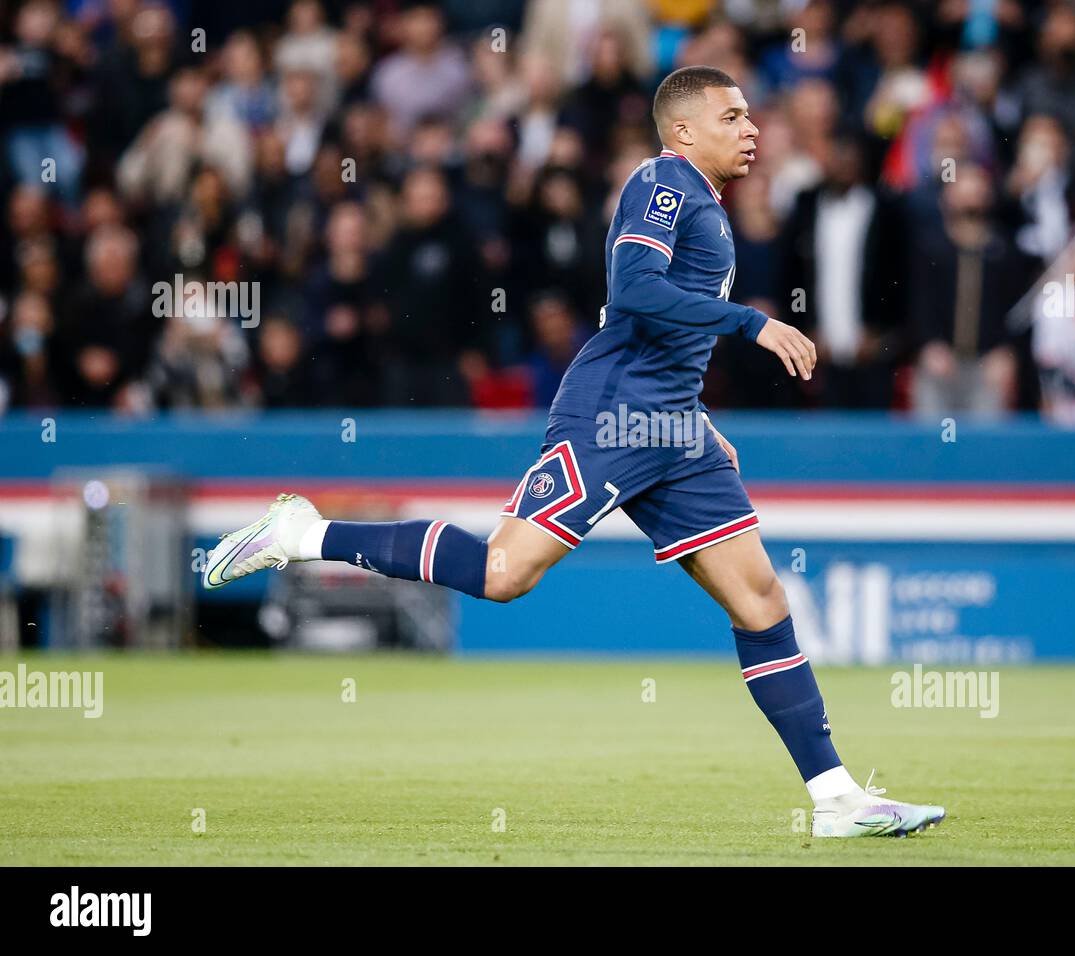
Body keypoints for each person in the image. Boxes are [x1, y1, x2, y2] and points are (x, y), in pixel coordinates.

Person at [201, 67, 946, 839]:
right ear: (684, 129)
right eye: (732, 116)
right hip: (613, 417)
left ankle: (836, 799)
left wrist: (695, 416)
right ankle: (302, 534)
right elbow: (633, 289)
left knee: (761, 601)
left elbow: (667, 329)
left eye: (751, 116)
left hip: (672, 429)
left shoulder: (711, 208)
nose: (752, 129)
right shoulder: (664, 181)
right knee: (502, 573)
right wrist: (749, 322)